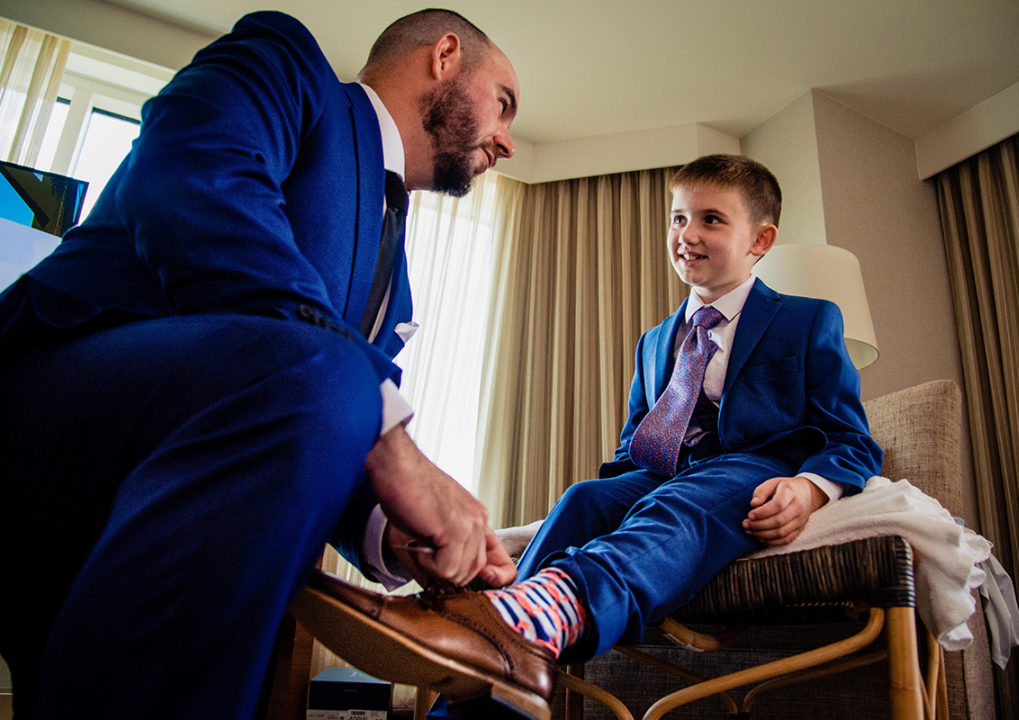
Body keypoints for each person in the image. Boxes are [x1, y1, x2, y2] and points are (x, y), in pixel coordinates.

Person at [0, 9, 526, 718]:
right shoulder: (288, 62)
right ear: (445, 55)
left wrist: (392, 529)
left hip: (167, 529)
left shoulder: (396, 281)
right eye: (504, 104)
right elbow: (194, 174)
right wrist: (391, 438)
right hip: (43, 423)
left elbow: (298, 418)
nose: (508, 140)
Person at [303, 154, 884, 719]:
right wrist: (598, 506)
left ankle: (540, 614)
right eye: (678, 218)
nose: (687, 233)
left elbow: (852, 439)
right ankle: (481, 637)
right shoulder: (656, 342)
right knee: (585, 497)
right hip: (660, 475)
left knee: (678, 503)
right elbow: (632, 450)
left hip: (748, 474)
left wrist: (810, 489)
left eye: (712, 219)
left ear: (760, 241)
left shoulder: (808, 320)